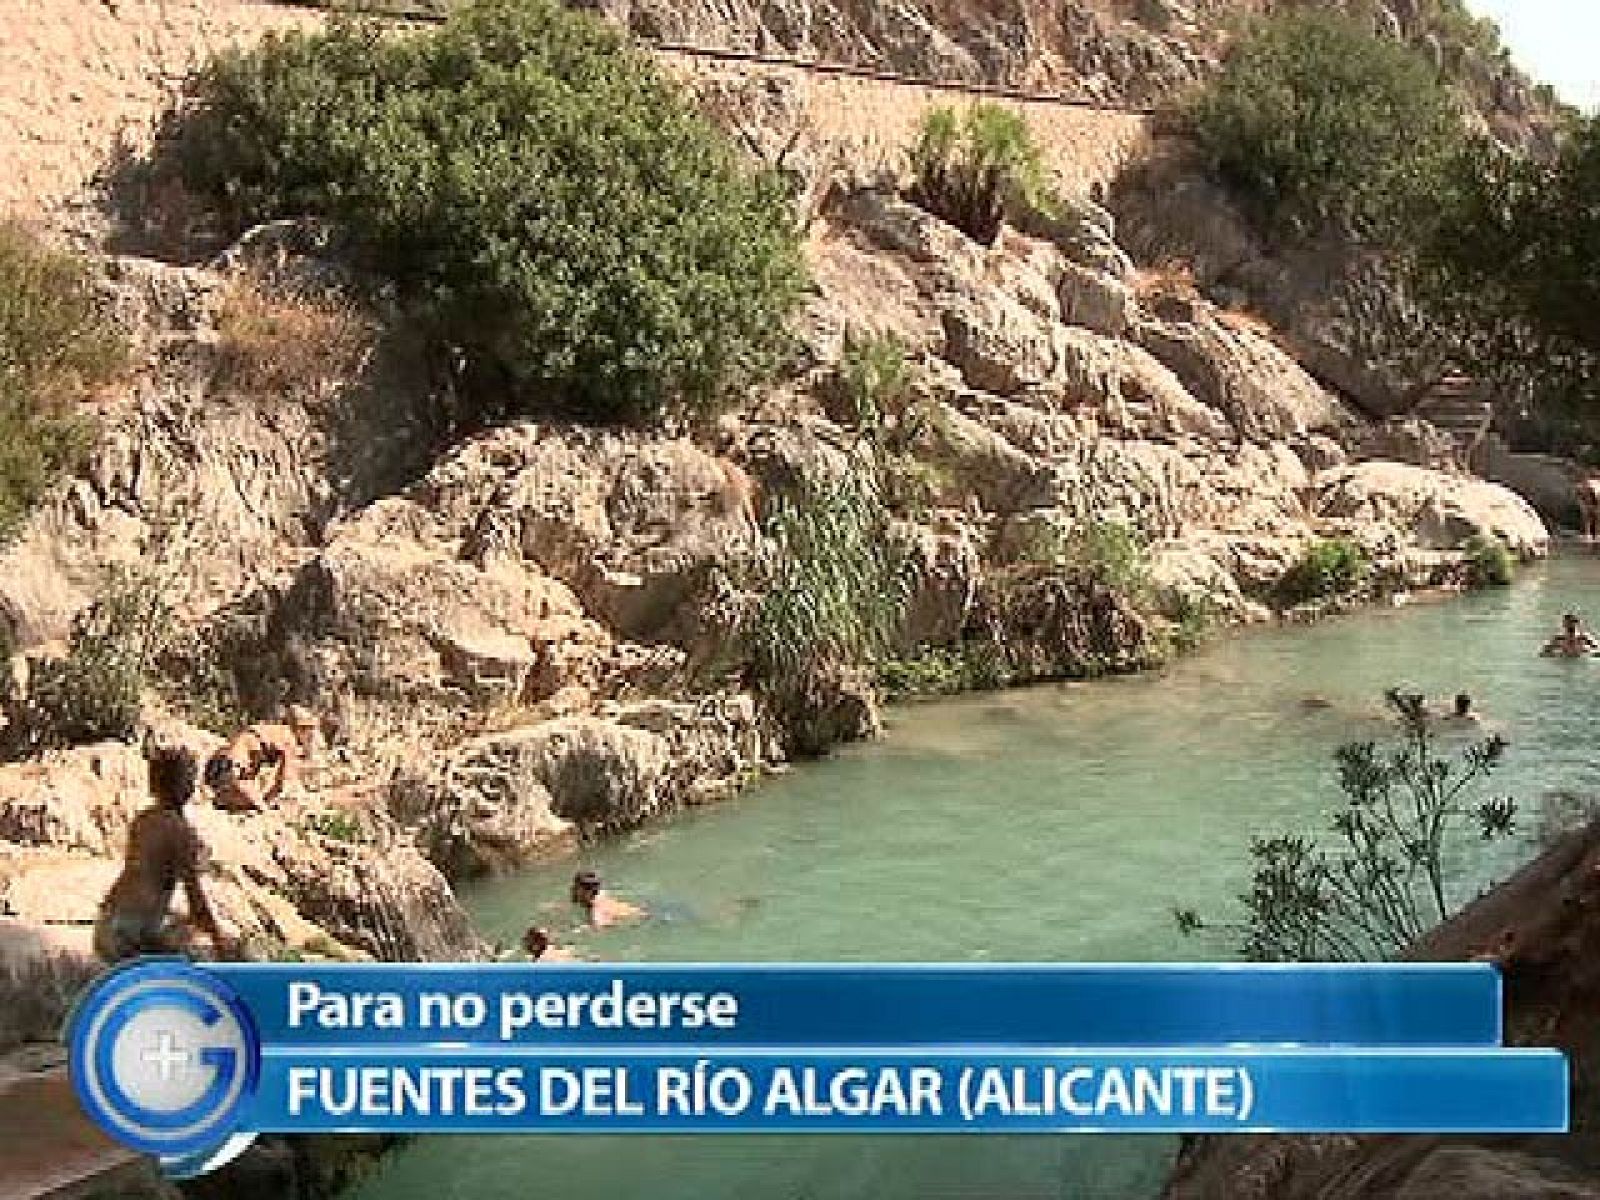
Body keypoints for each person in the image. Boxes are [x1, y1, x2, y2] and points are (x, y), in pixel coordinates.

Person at [95, 744, 234, 963]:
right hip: (134, 931)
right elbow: (196, 900)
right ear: (180, 784)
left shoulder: (144, 820)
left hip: (108, 921)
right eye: (189, 778)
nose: (193, 785)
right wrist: (220, 943)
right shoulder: (179, 831)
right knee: (193, 967)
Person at [204, 705, 326, 812]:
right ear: (301, 729)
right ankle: (226, 797)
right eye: (309, 730)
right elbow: (282, 780)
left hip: (218, 762)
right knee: (258, 805)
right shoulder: (288, 739)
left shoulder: (271, 730)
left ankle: (225, 796)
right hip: (233, 767)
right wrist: (267, 801)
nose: (311, 736)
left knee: (246, 796)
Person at [570, 870, 647, 929]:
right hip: (642, 914)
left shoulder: (596, 910)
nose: (572, 889)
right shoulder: (601, 895)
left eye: (576, 888)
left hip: (643, 921)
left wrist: (581, 928)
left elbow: (599, 927)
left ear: (586, 892)